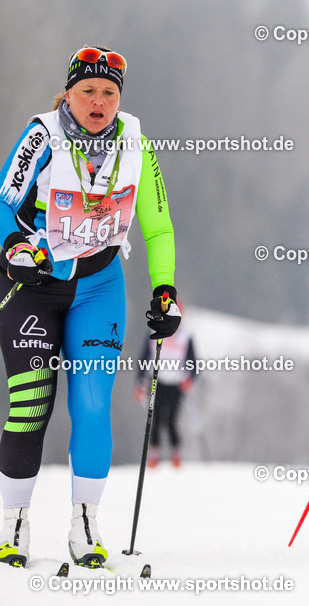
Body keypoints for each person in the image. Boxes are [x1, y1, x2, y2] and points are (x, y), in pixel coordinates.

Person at [0, 47, 181, 568]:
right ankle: (13, 522)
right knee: (30, 405)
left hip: (100, 285)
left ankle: (85, 524)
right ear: (69, 94)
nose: (98, 102)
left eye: (109, 93)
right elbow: (3, 204)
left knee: (94, 406)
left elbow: (159, 227)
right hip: (35, 286)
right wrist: (13, 247)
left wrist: (165, 290)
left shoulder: (136, 145)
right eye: (88, 92)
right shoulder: (42, 135)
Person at [135, 316, 197, 468]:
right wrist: (140, 383)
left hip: (176, 384)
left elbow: (193, 362)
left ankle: (176, 455)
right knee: (154, 418)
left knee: (171, 420)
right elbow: (144, 358)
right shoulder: (154, 332)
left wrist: (190, 378)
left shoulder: (185, 336)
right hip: (157, 381)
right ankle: (154, 455)